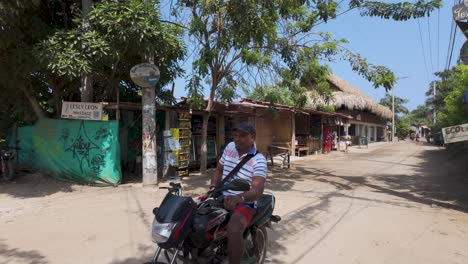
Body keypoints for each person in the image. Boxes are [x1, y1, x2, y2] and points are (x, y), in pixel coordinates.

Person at [208, 122, 267, 264]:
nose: (237, 138)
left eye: (242, 136)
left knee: (233, 230)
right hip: (222, 195)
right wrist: (213, 186)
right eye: (235, 135)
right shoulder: (229, 148)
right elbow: (219, 170)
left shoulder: (259, 160)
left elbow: (257, 190)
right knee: (196, 216)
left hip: (245, 202)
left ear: (252, 138)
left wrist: (239, 197)